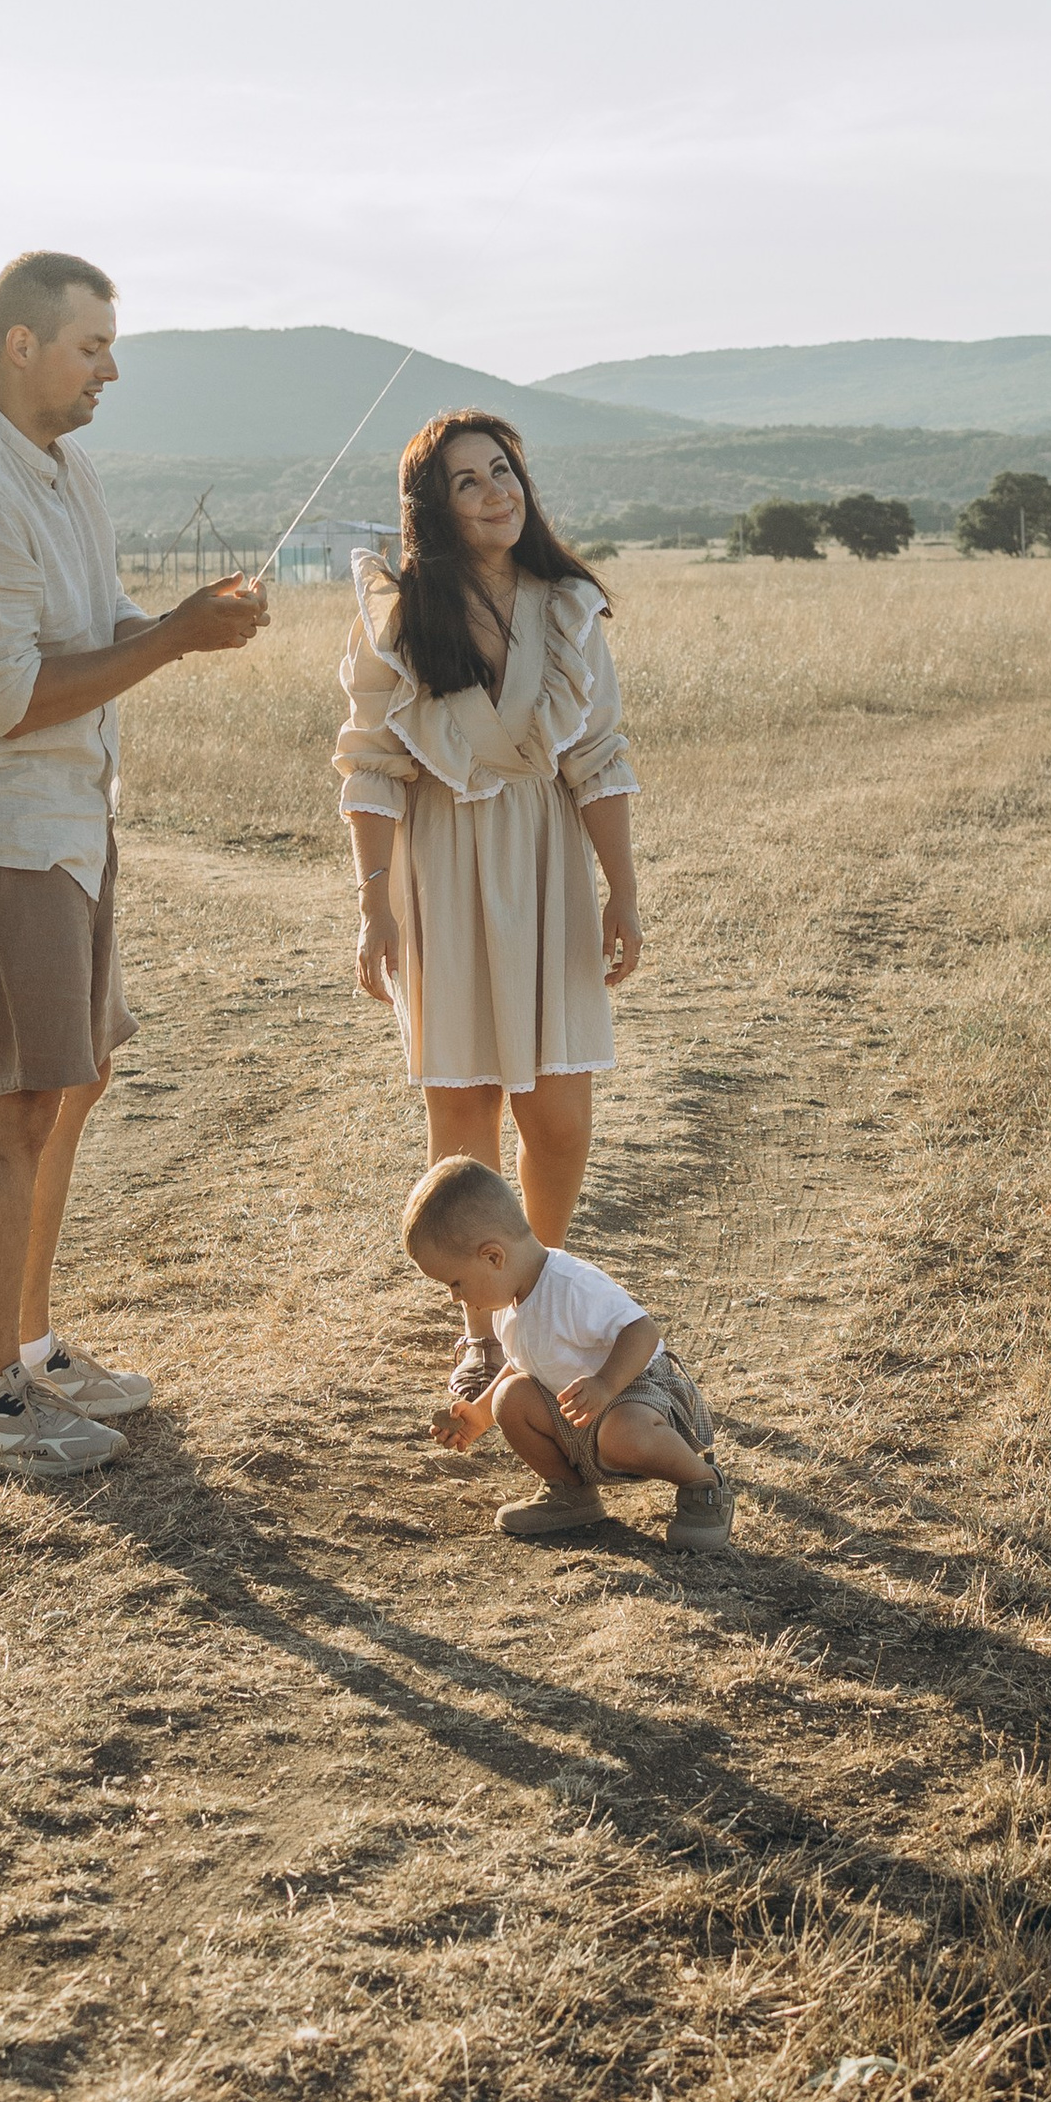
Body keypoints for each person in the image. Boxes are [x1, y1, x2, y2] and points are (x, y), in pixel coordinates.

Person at [0, 248, 268, 1484]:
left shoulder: (59, 467)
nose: (113, 365)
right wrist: (178, 644)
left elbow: (90, 635)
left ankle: (36, 1353)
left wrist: (179, 623)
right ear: (20, 347)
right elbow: (7, 702)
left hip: (65, 824)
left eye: (111, 342)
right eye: (94, 343)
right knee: (19, 1100)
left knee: (78, 1076)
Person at [335, 411, 641, 1403]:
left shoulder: (565, 608)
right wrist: (373, 902)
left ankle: (538, 1319)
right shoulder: (397, 614)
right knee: (462, 1115)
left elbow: (597, 758)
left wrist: (621, 890)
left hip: (546, 862)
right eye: (466, 482)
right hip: (440, 868)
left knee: (557, 1120)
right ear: (434, 504)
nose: (494, 492)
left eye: (502, 471)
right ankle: (478, 1334)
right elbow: (371, 763)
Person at [402, 1154, 734, 1548]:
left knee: (621, 1434)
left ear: (493, 1257)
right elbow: (520, 1364)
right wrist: (479, 1415)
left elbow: (642, 1332)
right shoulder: (508, 1306)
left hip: (638, 1392)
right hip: (580, 1412)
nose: (454, 1297)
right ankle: (570, 1493)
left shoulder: (570, 1284)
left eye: (455, 1283)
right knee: (509, 1399)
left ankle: (703, 1484)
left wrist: (605, 1385)